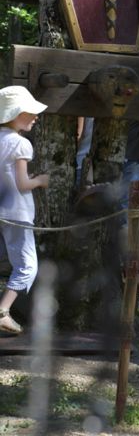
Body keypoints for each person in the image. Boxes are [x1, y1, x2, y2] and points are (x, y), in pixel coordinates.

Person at [0, 86, 50, 334]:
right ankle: (2, 312)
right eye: (31, 112)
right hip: (16, 214)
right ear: (17, 114)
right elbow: (22, 184)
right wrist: (40, 180)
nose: (36, 117)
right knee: (27, 266)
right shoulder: (21, 144)